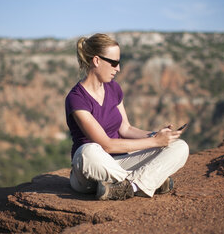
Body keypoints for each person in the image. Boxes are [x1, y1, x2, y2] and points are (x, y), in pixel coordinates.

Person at [65, 33, 189, 200]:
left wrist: (157, 135)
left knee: (180, 147)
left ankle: (128, 187)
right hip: (91, 170)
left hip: (119, 162)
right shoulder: (76, 98)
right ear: (96, 61)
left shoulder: (114, 88)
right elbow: (106, 145)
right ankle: (147, 181)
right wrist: (154, 142)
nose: (118, 68)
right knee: (88, 151)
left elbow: (126, 128)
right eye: (114, 63)